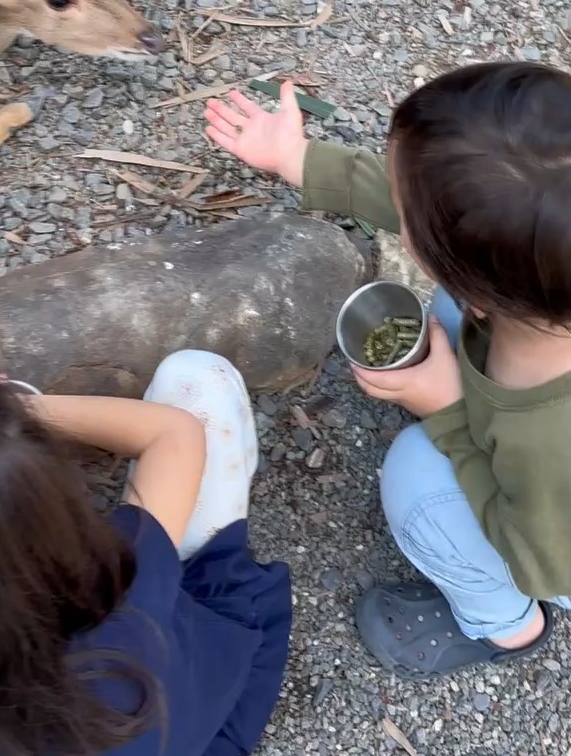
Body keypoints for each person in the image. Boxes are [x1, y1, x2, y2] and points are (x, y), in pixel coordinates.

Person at [206, 61, 571, 679]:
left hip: (554, 548)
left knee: (416, 475)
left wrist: (450, 414)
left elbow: (543, 555)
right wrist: (301, 160)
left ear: (483, 287)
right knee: (452, 311)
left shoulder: (549, 438)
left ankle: (506, 625)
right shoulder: (544, 263)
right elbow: (455, 215)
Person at [0, 352, 291, 756]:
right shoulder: (125, 604)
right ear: (54, 550)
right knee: (197, 375)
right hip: (203, 714)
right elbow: (173, 434)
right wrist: (12, 418)